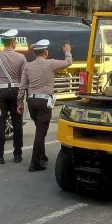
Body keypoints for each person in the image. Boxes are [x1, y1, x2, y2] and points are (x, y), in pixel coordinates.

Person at [17, 39, 72, 171]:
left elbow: (22, 86)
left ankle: (42, 155)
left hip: (31, 101)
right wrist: (67, 52)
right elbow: (68, 62)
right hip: (44, 102)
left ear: (34, 53)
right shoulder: (51, 63)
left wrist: (19, 102)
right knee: (41, 132)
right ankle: (35, 163)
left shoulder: (28, 66)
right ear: (46, 52)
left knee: (40, 129)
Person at [0, 29, 26, 164]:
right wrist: (21, 98)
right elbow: (24, 78)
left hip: (1, 92)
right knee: (17, 123)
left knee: (0, 123)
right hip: (16, 91)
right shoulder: (21, 57)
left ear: (3, 43)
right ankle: (18, 155)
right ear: (13, 42)